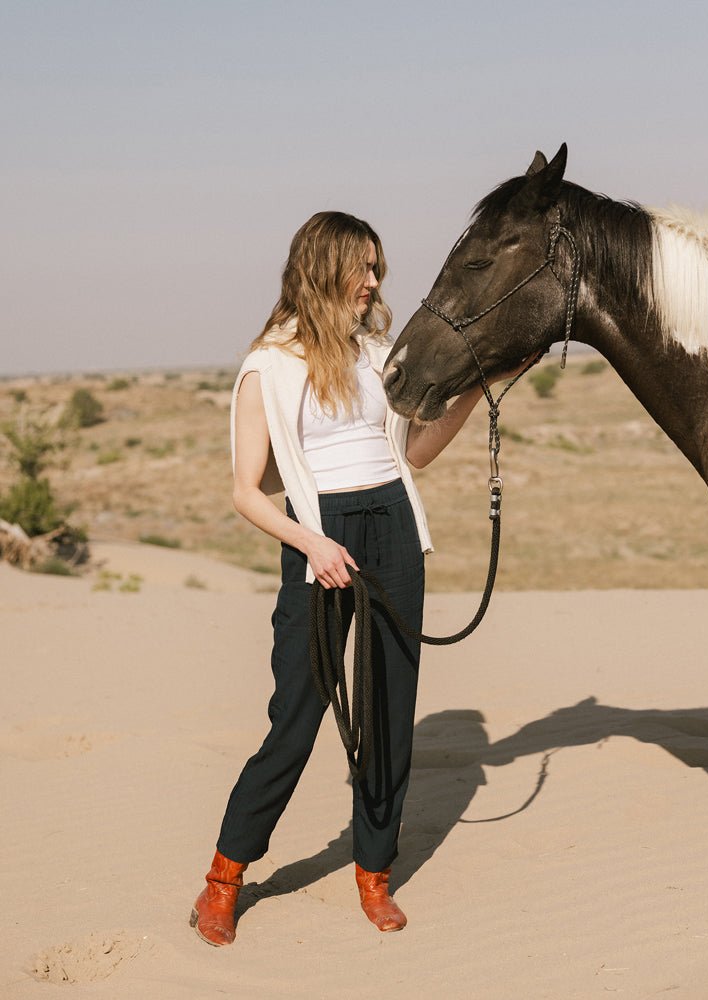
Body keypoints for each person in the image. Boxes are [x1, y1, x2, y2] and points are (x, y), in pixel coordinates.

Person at [190, 211, 510, 947]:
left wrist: (481, 386)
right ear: (323, 267)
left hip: (394, 525)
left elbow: (417, 453)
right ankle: (223, 877)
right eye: (362, 268)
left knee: (390, 711)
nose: (373, 282)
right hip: (319, 539)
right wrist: (313, 543)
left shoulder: (379, 354)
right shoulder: (267, 365)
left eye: (376, 269)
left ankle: (374, 873)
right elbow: (245, 490)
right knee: (296, 717)